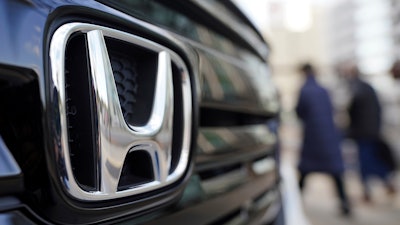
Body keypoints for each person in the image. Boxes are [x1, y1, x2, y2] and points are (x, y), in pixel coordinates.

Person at [296, 63, 351, 215]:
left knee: (305, 171)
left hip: (312, 137)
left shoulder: (304, 90)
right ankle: (345, 204)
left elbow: (299, 112)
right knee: (336, 171)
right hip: (329, 136)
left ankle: (294, 204)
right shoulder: (324, 90)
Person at [345, 63, 396, 202]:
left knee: (366, 162)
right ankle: (382, 184)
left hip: (363, 133)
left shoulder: (357, 89)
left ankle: (370, 191)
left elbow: (352, 110)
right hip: (371, 131)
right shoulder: (368, 88)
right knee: (370, 160)